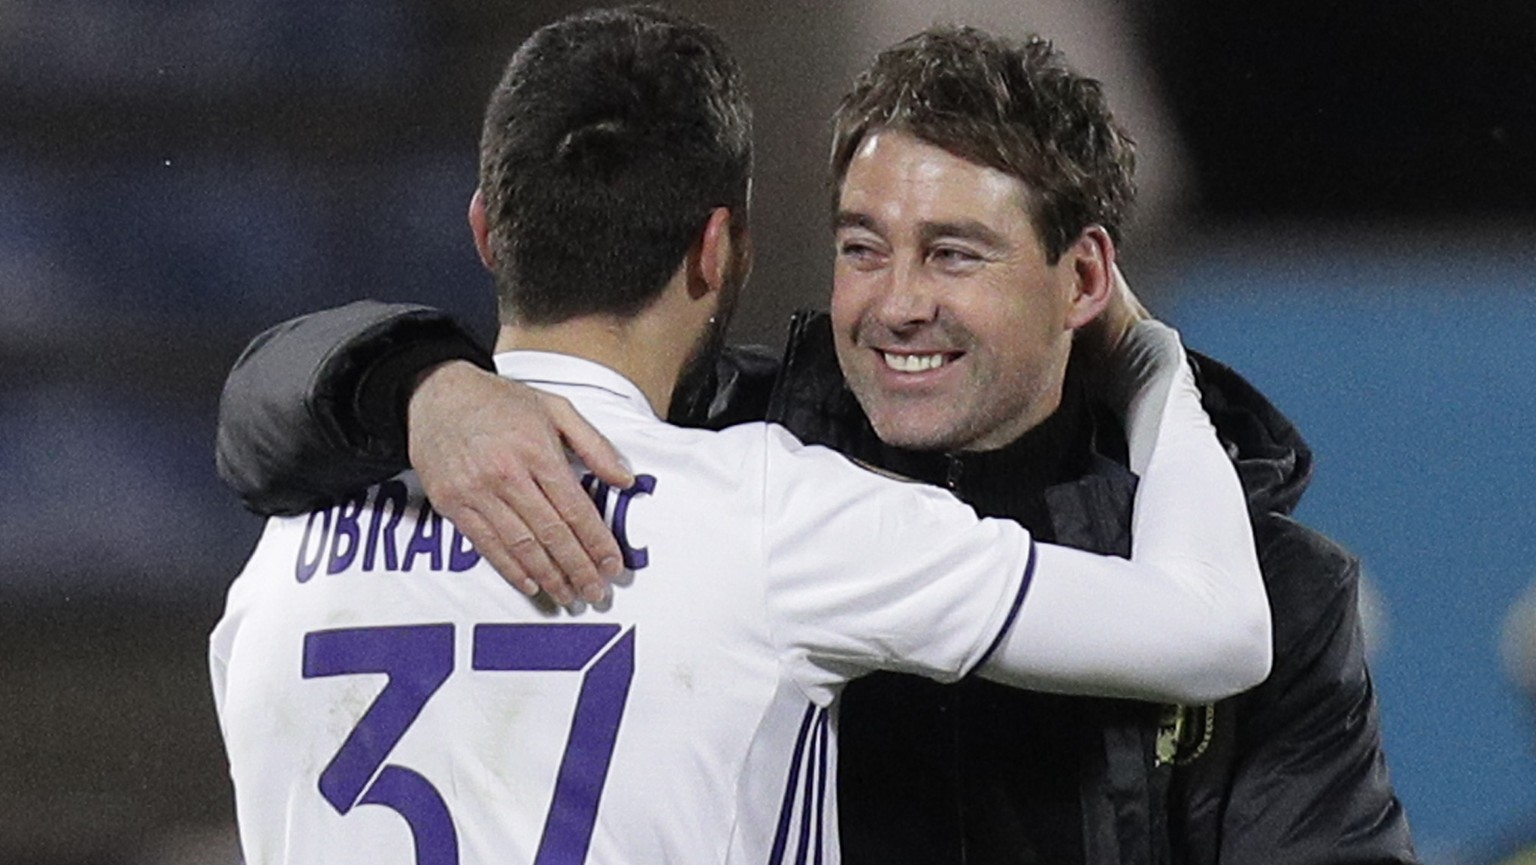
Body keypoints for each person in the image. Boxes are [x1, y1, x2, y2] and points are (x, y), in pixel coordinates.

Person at [213, 18, 1417, 865]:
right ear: (722, 254)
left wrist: (416, 388)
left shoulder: (284, 558)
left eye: (954, 252)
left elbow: (252, 422)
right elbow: (1204, 630)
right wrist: (419, 384)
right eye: (858, 246)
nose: (896, 302)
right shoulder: (758, 484)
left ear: (1085, 276)